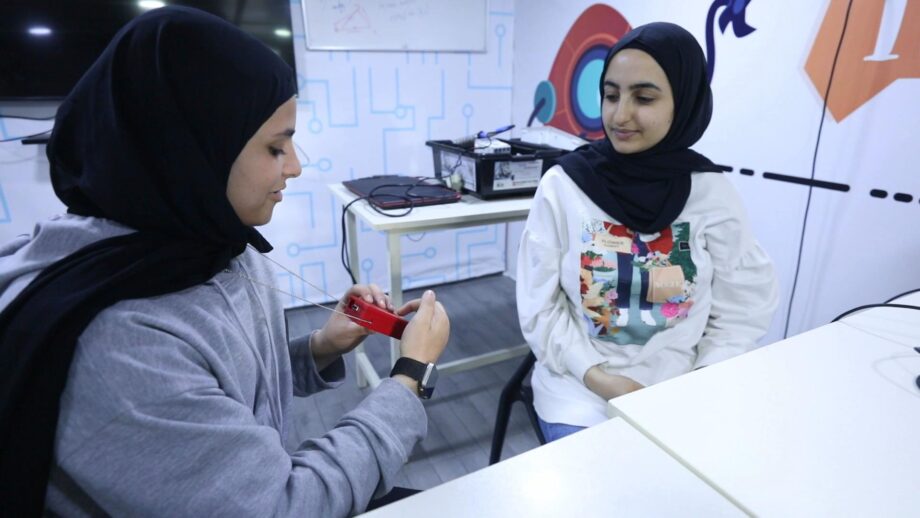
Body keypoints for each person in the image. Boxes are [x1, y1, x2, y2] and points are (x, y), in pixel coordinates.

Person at [0, 7, 449, 516]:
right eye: (276, 146)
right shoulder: (122, 342)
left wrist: (320, 347)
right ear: (190, 148)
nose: (297, 166)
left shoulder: (212, 243)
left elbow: (226, 391)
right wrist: (411, 376)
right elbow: (286, 506)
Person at [517, 22, 778, 442]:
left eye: (644, 97)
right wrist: (601, 380)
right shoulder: (564, 185)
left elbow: (742, 308)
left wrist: (702, 382)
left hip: (684, 392)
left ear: (684, 101)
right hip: (581, 391)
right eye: (611, 95)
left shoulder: (711, 192)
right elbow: (538, 305)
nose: (621, 115)